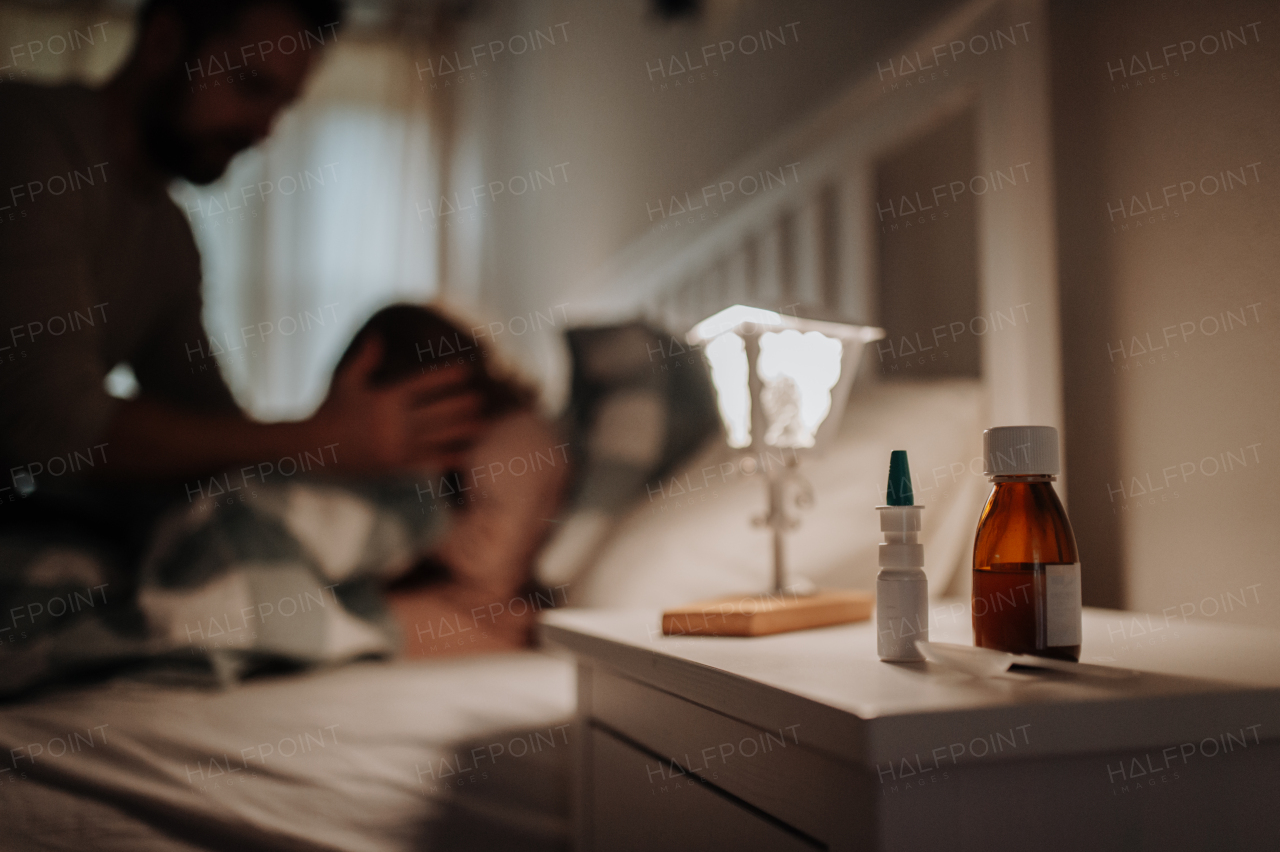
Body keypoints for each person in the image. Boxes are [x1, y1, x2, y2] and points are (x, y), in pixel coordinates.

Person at [0, 0, 556, 669]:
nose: (264, 130)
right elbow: (53, 424)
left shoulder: (169, 244)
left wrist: (345, 460)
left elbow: (212, 434)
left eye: (283, 105)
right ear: (164, 40)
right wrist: (319, 439)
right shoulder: (27, 140)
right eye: (250, 86)